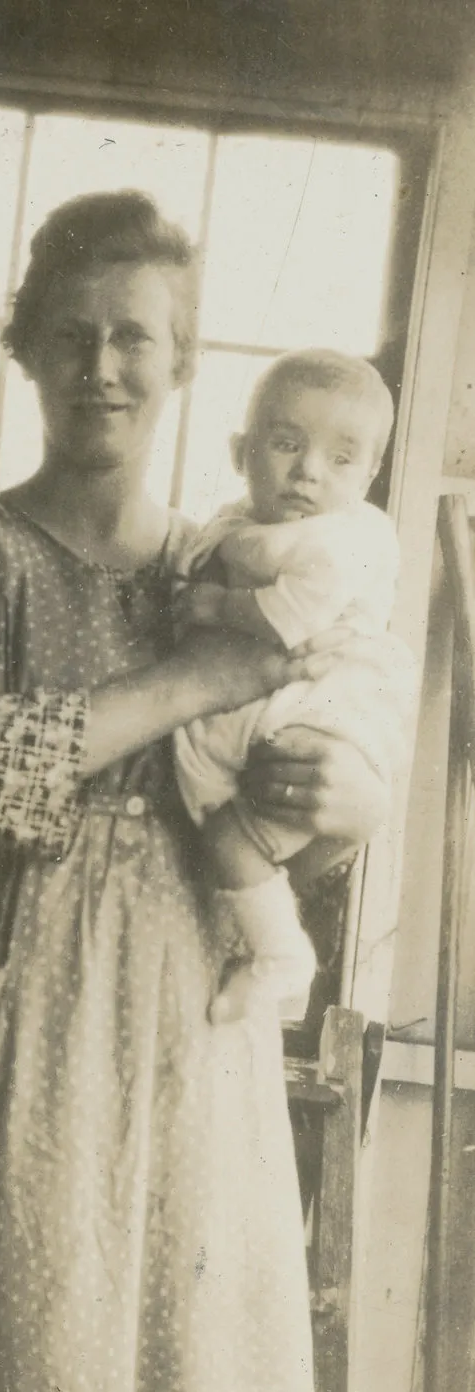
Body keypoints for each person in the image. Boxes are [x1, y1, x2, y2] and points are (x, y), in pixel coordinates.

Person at [0, 191, 398, 1392]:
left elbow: (301, 758)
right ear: (25, 345)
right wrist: (196, 679)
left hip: (187, 1028)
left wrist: (349, 809)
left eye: (135, 337)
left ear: (183, 362)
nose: (102, 367)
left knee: (179, 1375)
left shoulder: (235, 559)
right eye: (73, 334)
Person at [173, 349, 416, 1025]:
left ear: (370, 473)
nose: (309, 470)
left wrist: (217, 608)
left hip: (329, 703)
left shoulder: (341, 538)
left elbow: (292, 617)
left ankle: (282, 957)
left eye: (341, 459)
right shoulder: (248, 521)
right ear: (241, 450)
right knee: (224, 814)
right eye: (287, 444)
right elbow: (219, 542)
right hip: (292, 699)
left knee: (231, 835)